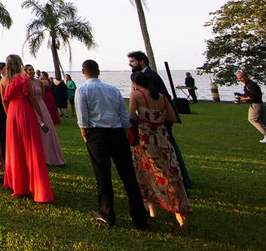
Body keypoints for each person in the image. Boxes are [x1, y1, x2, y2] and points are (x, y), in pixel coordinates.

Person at [76, 59, 147, 230]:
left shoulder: (83, 90)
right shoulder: (113, 90)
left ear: (83, 72)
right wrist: (123, 131)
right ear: (98, 71)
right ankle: (139, 216)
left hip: (97, 134)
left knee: (103, 175)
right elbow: (124, 115)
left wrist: (85, 133)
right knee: (128, 175)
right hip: (117, 133)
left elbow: (82, 117)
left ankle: (107, 213)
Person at [129, 71, 192, 228]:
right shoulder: (162, 97)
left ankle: (151, 209)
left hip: (144, 139)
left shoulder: (135, 95)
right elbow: (172, 117)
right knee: (170, 172)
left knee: (145, 172)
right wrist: (157, 116)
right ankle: (179, 213)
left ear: (135, 83)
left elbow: (131, 116)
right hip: (162, 138)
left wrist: (144, 117)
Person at [128, 51, 192, 189]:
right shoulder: (145, 77)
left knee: (168, 152)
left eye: (132, 61)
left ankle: (181, 181)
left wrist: (159, 118)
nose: (130, 64)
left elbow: (160, 97)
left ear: (142, 62)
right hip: (152, 124)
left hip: (158, 124)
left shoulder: (150, 76)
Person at [1, 55, 52, 202]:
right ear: (20, 64)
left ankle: (17, 184)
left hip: (12, 113)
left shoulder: (3, 80)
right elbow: (32, 99)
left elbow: (3, 101)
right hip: (25, 112)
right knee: (31, 148)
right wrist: (41, 116)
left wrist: (10, 116)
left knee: (14, 149)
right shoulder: (25, 79)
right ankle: (36, 186)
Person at [25, 65, 65, 166]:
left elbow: (42, 96)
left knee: (47, 130)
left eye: (33, 69)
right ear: (25, 71)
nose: (32, 71)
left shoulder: (40, 82)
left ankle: (49, 156)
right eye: (29, 70)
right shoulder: (25, 82)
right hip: (31, 108)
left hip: (41, 106)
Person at [234, 71, 266, 143]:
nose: (240, 80)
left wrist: (244, 99)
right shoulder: (250, 84)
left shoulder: (250, 85)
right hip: (260, 104)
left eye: (241, 78)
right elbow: (250, 94)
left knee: (253, 119)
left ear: (246, 76)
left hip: (256, 105)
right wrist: (240, 95)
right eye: (239, 78)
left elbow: (254, 96)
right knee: (263, 121)